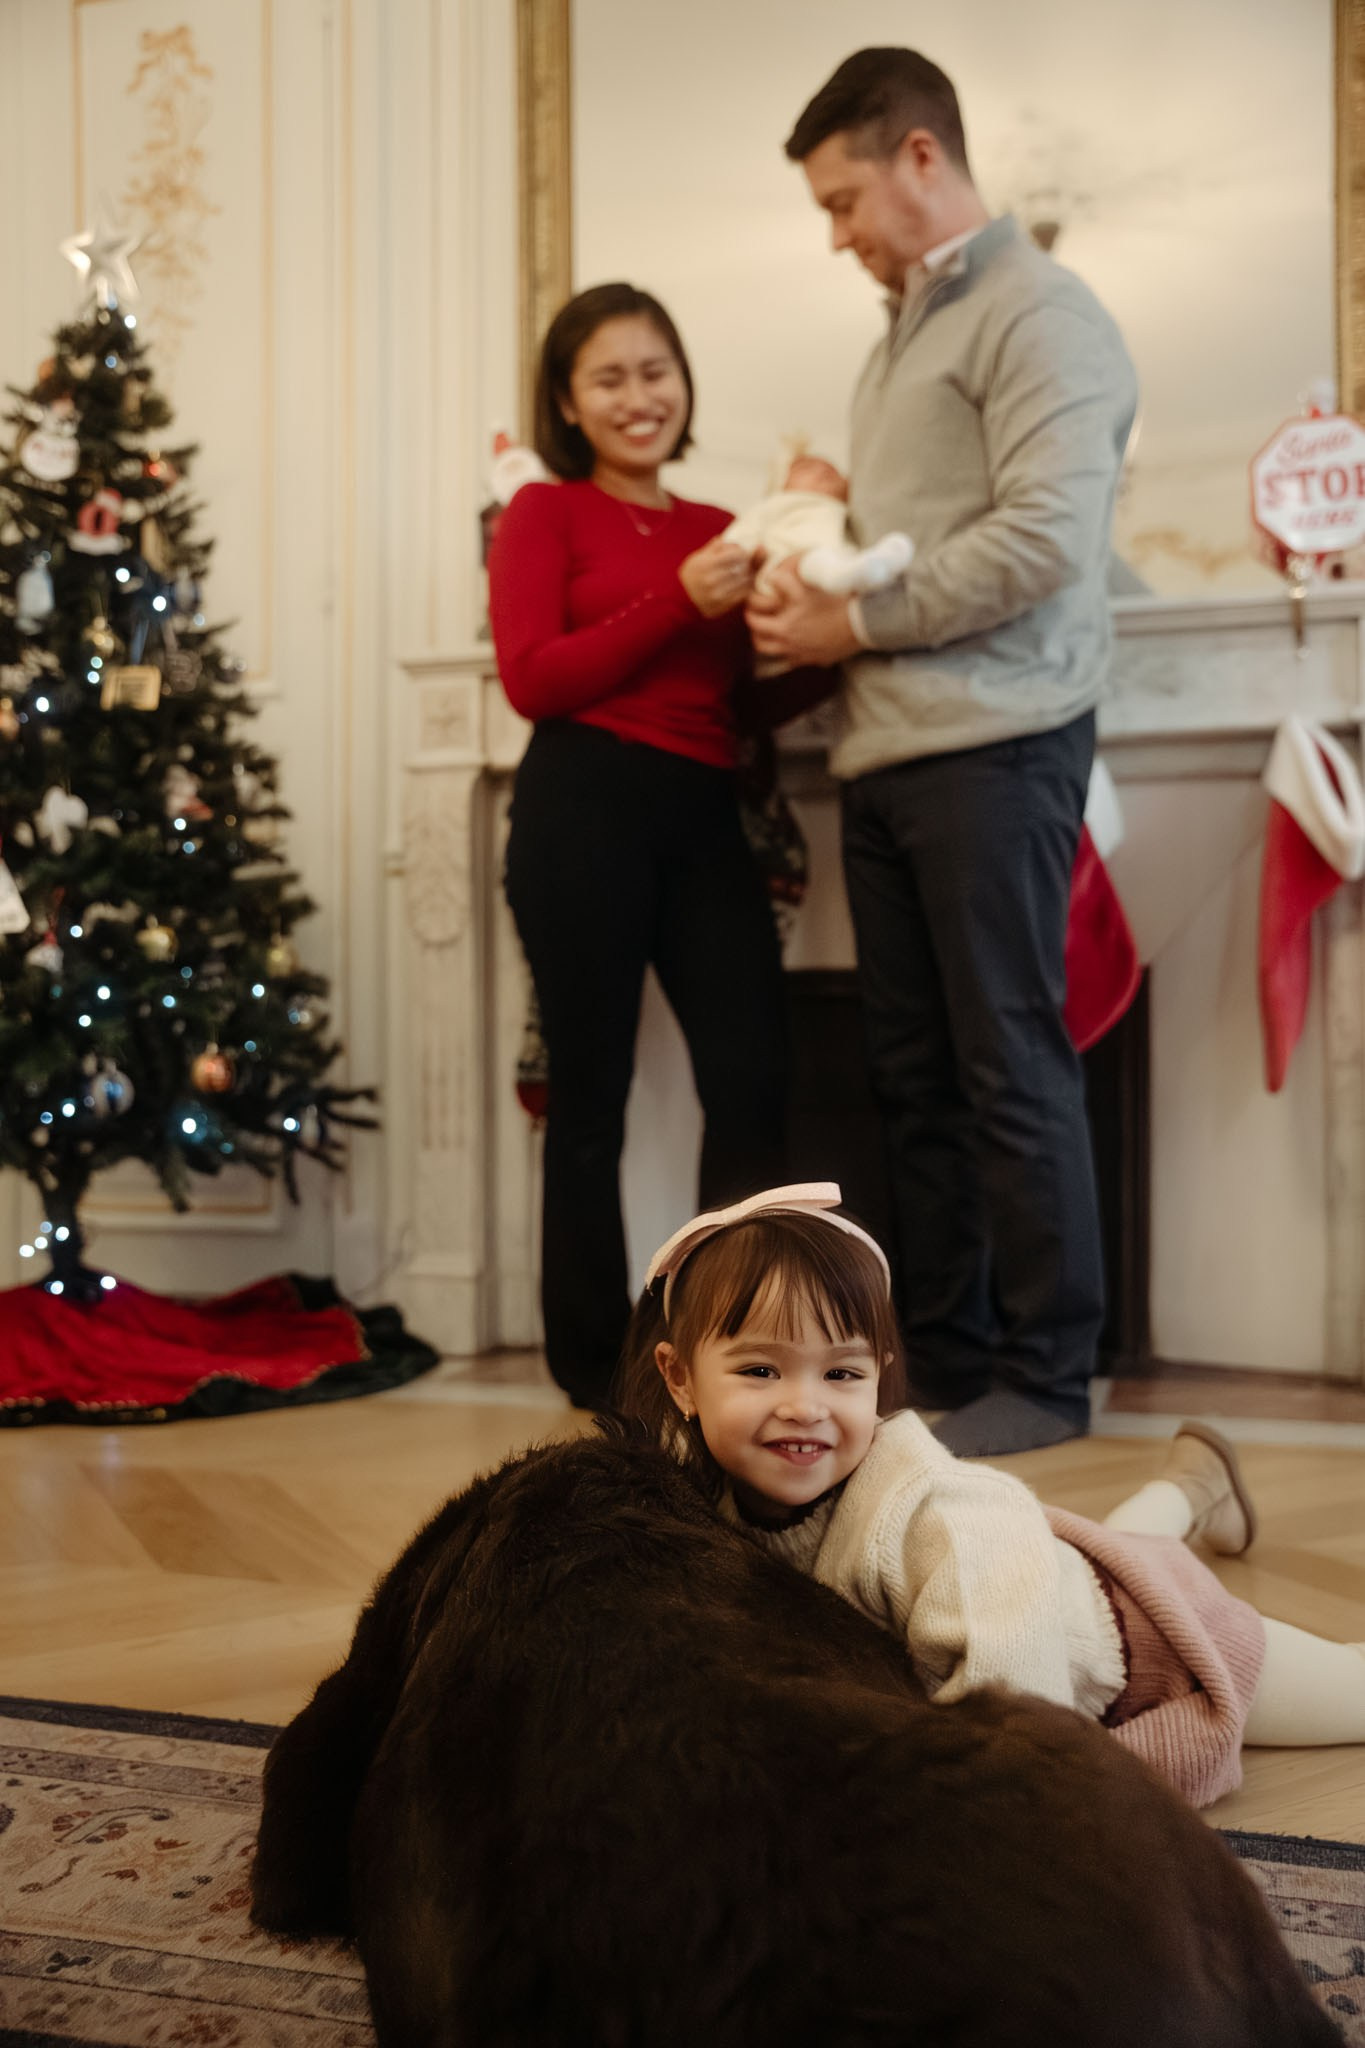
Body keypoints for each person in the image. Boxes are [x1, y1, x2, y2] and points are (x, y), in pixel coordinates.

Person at [746, 50, 1140, 1457]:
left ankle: (1047, 1369)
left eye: (845, 198)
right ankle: (961, 1356)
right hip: (887, 760)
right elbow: (935, 526)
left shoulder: (1044, 313)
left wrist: (850, 618)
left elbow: (1041, 542)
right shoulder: (897, 333)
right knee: (912, 1076)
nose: (836, 232)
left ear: (921, 158)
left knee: (1008, 1064)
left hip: (998, 746)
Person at [614, 1184, 1365, 1810]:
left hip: (1154, 1647)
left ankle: (1185, 1494)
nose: (805, 1405)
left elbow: (1017, 1725)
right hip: (1065, 1570)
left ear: (877, 1374)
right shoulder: (690, 1489)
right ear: (679, 1379)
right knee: (1119, 1548)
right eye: (759, 1372)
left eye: (840, 1375)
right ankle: (1188, 1486)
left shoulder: (945, 1516)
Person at [488, 282, 787, 1410]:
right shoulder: (543, 516)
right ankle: (596, 1370)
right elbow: (534, 677)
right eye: (607, 377)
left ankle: (747, 1339)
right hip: (583, 808)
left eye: (654, 369)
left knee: (754, 1077)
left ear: (684, 379)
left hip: (706, 810)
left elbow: (741, 698)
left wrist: (843, 636)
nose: (637, 395)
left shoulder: (723, 529)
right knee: (591, 1095)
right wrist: (674, 598)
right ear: (569, 401)